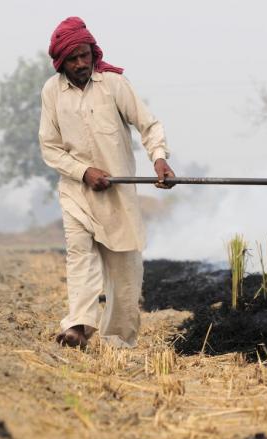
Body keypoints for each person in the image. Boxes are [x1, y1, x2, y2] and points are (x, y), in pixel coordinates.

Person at [39, 17, 174, 348]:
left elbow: (148, 125)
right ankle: (78, 326)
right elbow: (50, 148)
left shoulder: (114, 84)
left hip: (118, 197)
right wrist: (85, 172)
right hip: (78, 192)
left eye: (85, 55)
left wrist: (158, 159)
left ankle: (118, 342)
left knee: (125, 274)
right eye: (73, 58)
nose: (81, 63)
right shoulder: (52, 92)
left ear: (92, 52)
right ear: (61, 62)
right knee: (79, 254)